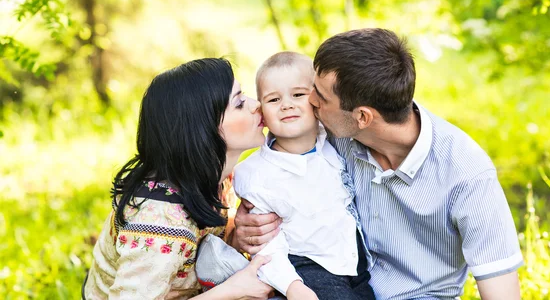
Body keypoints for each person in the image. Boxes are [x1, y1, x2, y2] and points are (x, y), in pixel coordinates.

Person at [234, 29, 524, 300]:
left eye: (319, 96)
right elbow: (276, 171)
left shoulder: (466, 174)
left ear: (362, 117)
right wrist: (245, 227)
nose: (309, 102)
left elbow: (500, 286)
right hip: (336, 282)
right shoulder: (333, 135)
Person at [83, 58, 273, 300]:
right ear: (201, 130)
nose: (257, 105)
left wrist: (235, 234)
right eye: (238, 104)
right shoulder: (160, 223)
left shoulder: (212, 176)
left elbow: (196, 245)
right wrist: (233, 291)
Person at [233, 52, 375, 300]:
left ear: (317, 102)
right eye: (274, 99)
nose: (286, 104)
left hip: (355, 265)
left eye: (298, 94)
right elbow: (266, 247)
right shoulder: (256, 176)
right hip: (307, 269)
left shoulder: (332, 141)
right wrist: (292, 286)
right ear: (262, 113)